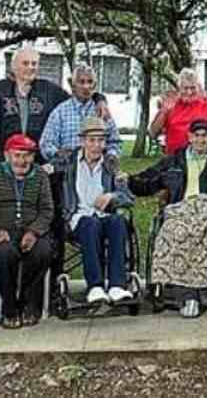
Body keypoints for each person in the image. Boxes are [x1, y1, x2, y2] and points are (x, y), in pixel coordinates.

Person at [129, 119, 207, 317]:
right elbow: (147, 180)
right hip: (184, 208)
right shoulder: (173, 161)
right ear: (189, 137)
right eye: (196, 135)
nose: (201, 140)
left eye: (205, 135)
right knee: (174, 230)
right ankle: (188, 294)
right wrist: (129, 180)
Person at [0, 134, 56, 329]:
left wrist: (34, 232)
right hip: (2, 230)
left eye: (27, 155)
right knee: (5, 255)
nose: (22, 160)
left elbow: (47, 209)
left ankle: (29, 304)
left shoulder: (40, 176)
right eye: (17, 155)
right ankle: (9, 308)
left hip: (31, 229)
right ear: (7, 155)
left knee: (43, 253)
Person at [0, 48, 109, 168]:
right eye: (25, 63)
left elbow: (78, 96)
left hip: (37, 164)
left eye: (34, 63)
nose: (31, 67)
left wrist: (99, 99)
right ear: (14, 67)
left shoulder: (48, 89)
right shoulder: (1, 89)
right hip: (5, 161)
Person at [55, 117, 134, 307]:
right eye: (92, 140)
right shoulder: (68, 163)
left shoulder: (110, 164)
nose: (97, 145)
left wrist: (112, 196)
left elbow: (129, 198)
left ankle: (117, 284)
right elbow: (44, 174)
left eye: (101, 140)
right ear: (82, 141)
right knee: (90, 223)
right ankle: (95, 286)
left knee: (117, 221)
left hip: (104, 217)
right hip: (78, 218)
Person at [39, 63, 122, 164]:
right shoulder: (60, 112)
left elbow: (115, 141)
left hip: (97, 170)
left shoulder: (102, 111)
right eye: (81, 82)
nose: (86, 86)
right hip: (67, 171)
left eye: (90, 82)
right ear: (73, 85)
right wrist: (58, 154)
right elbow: (46, 144)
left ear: (95, 85)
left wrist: (111, 155)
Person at [146, 68, 207, 157]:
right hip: (174, 161)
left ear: (198, 88)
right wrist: (164, 111)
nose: (189, 92)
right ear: (179, 88)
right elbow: (153, 133)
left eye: (193, 88)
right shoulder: (170, 104)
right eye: (185, 88)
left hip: (202, 160)